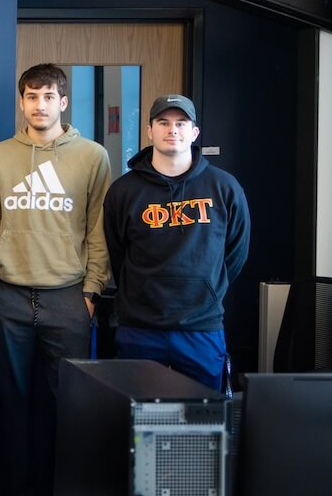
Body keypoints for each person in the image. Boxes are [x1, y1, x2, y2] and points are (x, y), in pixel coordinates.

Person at [0, 62, 110, 496]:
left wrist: (91, 292)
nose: (40, 105)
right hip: (11, 297)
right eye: (31, 97)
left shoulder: (92, 155)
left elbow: (98, 228)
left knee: (67, 406)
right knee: (11, 404)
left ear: (63, 102)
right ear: (21, 102)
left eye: (48, 97)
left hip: (68, 297)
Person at [104, 95, 250, 392]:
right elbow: (118, 253)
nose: (173, 130)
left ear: (194, 133)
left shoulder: (224, 187)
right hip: (140, 327)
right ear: (149, 131)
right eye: (163, 122)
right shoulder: (123, 191)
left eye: (181, 123)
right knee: (135, 422)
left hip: (201, 327)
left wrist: (208, 287)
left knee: (202, 423)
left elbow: (236, 252)